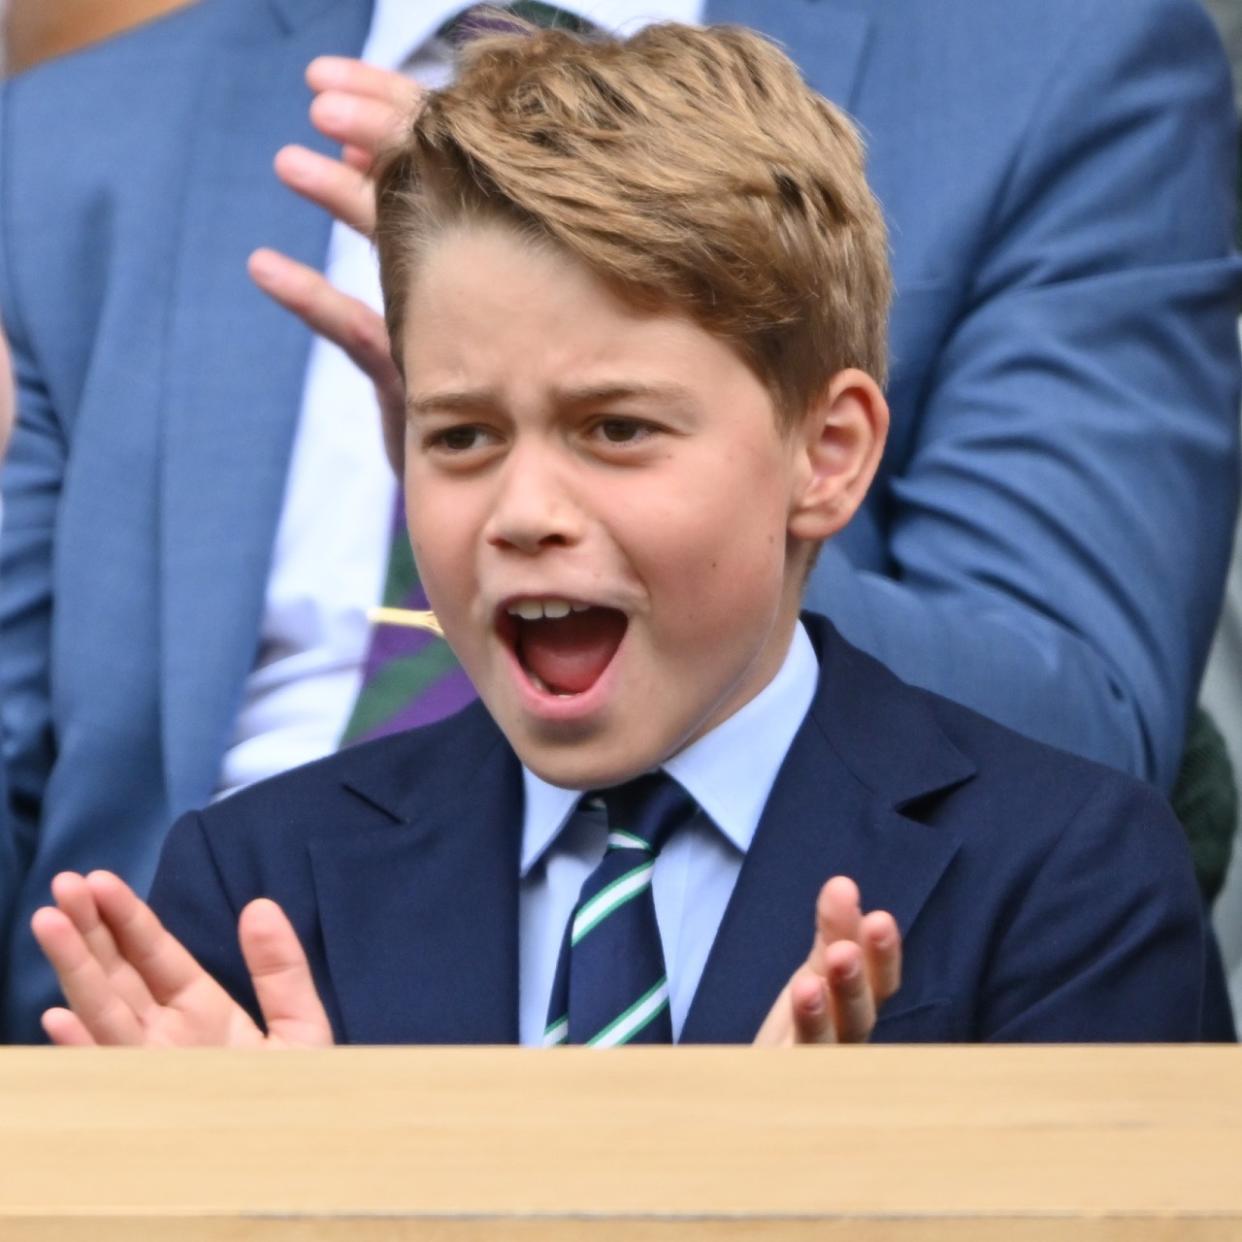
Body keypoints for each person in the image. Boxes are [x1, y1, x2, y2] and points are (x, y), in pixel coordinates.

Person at [2, 0, 1238, 1042]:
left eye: (617, 428)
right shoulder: (248, 882)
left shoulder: (1067, 878)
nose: (525, 512)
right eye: (459, 435)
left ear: (831, 451)